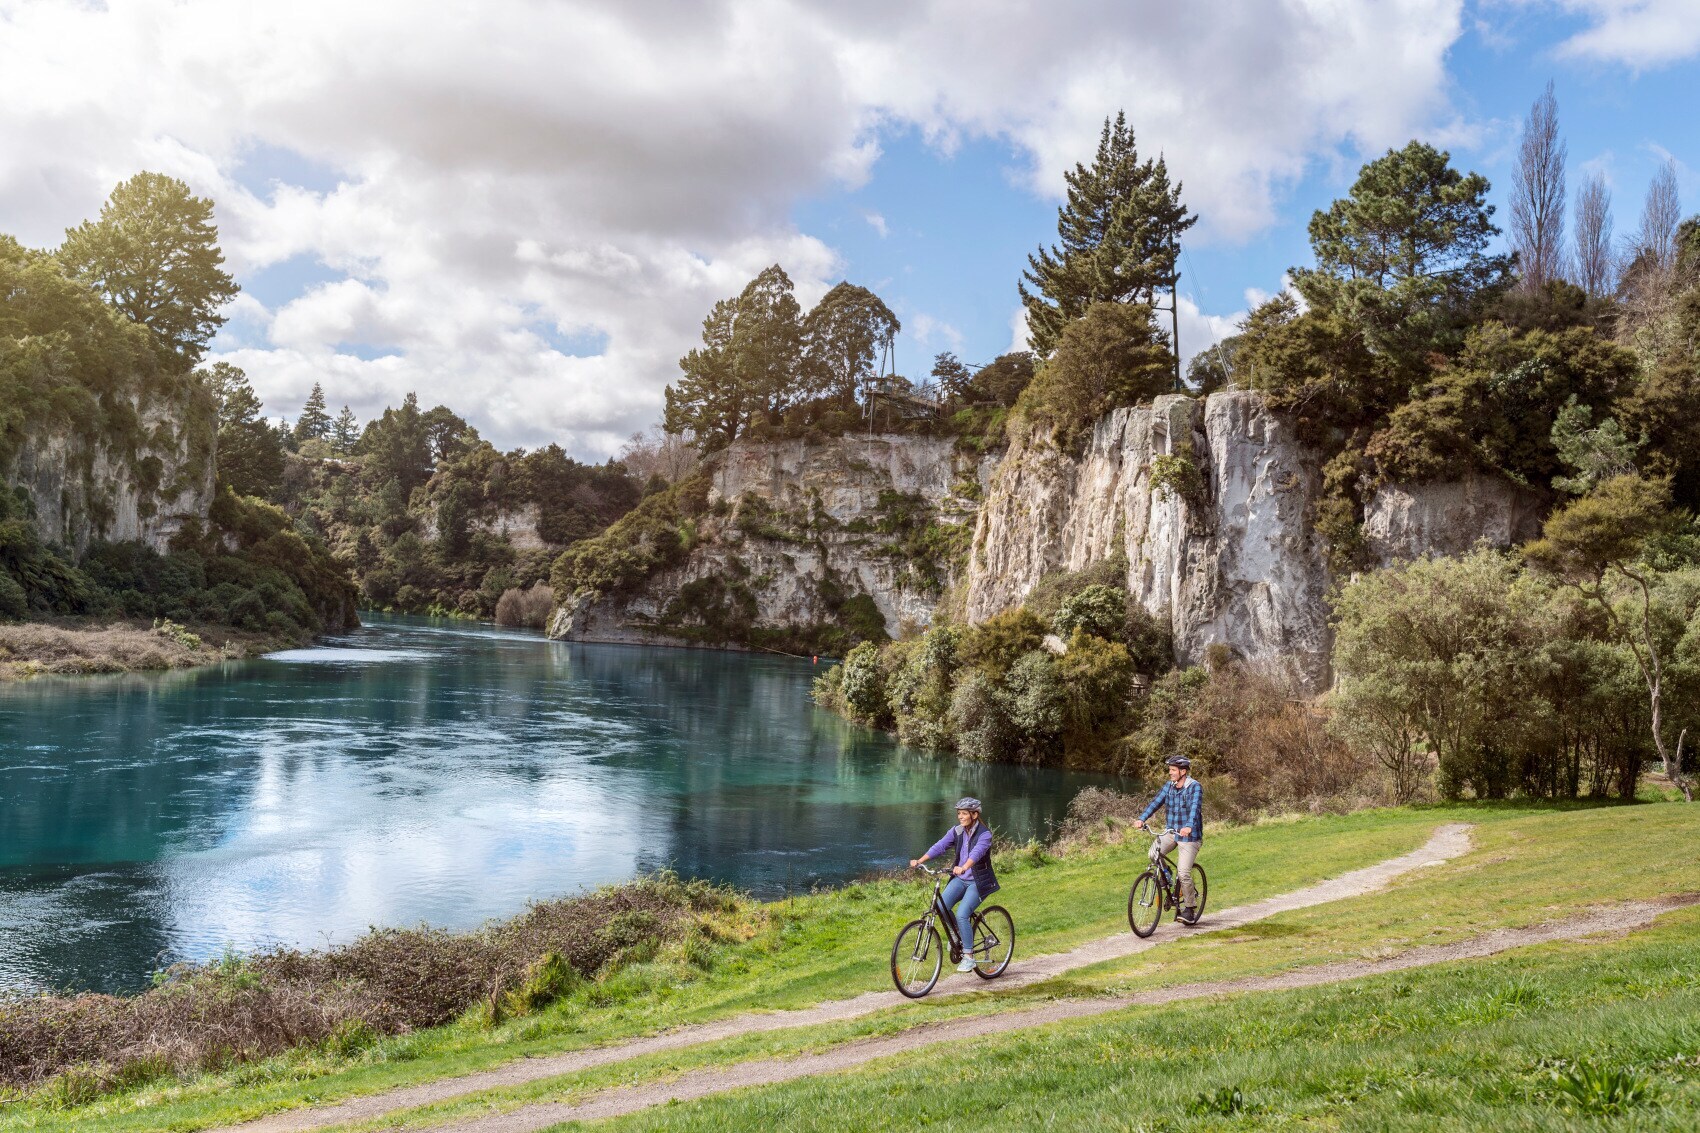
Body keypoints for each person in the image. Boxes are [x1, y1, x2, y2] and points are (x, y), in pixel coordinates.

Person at [910, 796, 1000, 971]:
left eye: (964, 813)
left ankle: (969, 956)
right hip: (960, 879)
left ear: (974, 815)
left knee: (962, 914)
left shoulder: (985, 834)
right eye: (959, 813)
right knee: (941, 907)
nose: (960, 816)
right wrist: (921, 861)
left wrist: (964, 867)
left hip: (978, 882)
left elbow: (977, 853)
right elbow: (940, 846)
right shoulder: (957, 831)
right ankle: (957, 934)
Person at [1132, 756, 1204, 925]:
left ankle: (1189, 909)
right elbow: (1155, 802)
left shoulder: (1194, 787)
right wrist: (1142, 818)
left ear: (1183, 772)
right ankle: (1167, 876)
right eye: (1170, 770)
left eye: (1173, 770)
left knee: (1184, 872)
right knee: (1153, 853)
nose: (1170, 773)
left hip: (1189, 836)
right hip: (1171, 832)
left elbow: (1194, 809)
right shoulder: (1169, 787)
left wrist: (1188, 826)